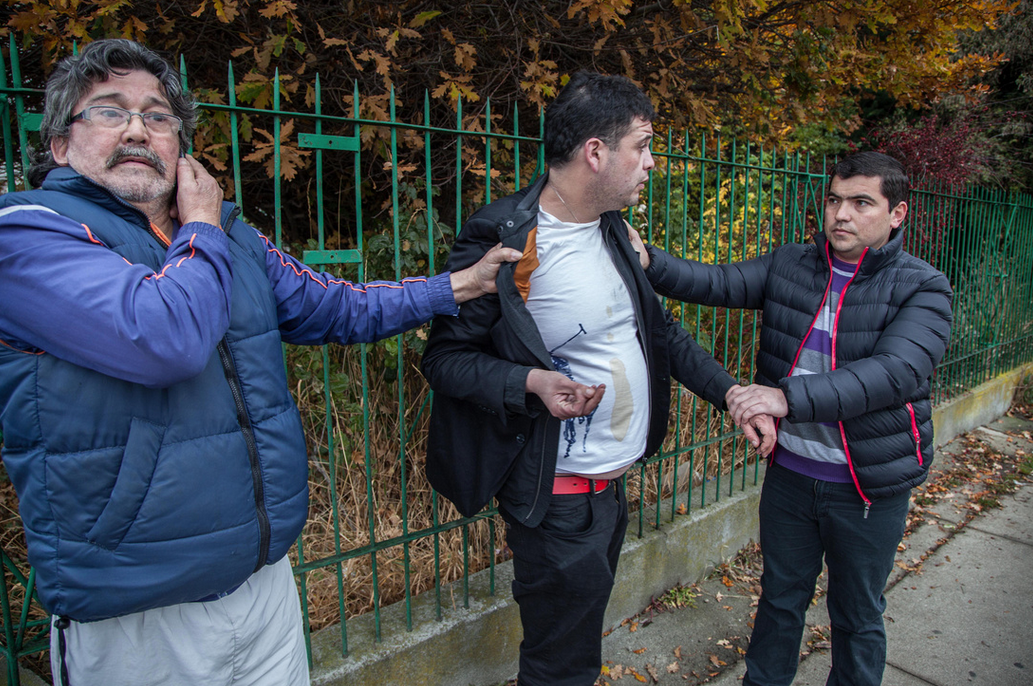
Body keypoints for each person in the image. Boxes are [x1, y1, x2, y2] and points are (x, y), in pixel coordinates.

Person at [0, 38, 520, 686]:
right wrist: (201, 225)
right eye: (108, 111)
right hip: (139, 616)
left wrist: (459, 286)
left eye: (157, 116)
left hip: (264, 586)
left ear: (179, 143)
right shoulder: (27, 231)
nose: (137, 129)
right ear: (59, 144)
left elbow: (338, 306)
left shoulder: (229, 236)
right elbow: (165, 338)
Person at [420, 71, 775, 686]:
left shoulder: (612, 227)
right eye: (643, 146)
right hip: (558, 499)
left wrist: (733, 394)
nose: (651, 162)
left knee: (576, 652)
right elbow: (445, 359)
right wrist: (530, 383)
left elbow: (660, 333)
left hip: (609, 492)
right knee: (561, 667)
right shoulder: (507, 235)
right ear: (595, 152)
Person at [629, 151, 953, 686]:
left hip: (867, 486)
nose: (841, 214)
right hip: (792, 477)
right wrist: (650, 262)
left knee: (856, 614)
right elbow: (716, 282)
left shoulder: (922, 286)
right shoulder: (792, 264)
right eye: (834, 200)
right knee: (780, 600)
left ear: (897, 214)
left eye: (861, 203)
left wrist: (785, 398)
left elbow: (894, 373)